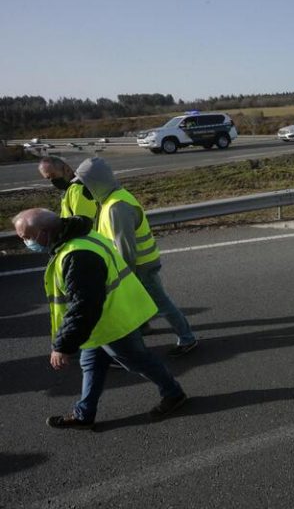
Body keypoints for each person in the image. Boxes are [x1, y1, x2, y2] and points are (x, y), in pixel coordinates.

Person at [12, 208, 187, 428]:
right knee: (91, 364)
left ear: (45, 232)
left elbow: (84, 305)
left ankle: (174, 393)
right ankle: (84, 414)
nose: (26, 243)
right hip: (101, 322)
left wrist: (63, 345)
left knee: (138, 361)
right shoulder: (80, 236)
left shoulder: (77, 255)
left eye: (27, 237)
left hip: (112, 321)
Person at [75, 157, 197, 357]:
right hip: (139, 263)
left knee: (161, 303)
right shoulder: (110, 200)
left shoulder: (117, 207)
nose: (83, 190)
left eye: (84, 185)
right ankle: (144, 327)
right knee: (142, 300)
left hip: (140, 265)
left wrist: (124, 275)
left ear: (97, 182)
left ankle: (187, 338)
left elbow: (125, 247)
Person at [38, 156, 98, 221]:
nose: (52, 180)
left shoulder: (78, 189)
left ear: (67, 169)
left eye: (53, 175)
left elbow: (81, 225)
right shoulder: (69, 190)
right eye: (48, 178)